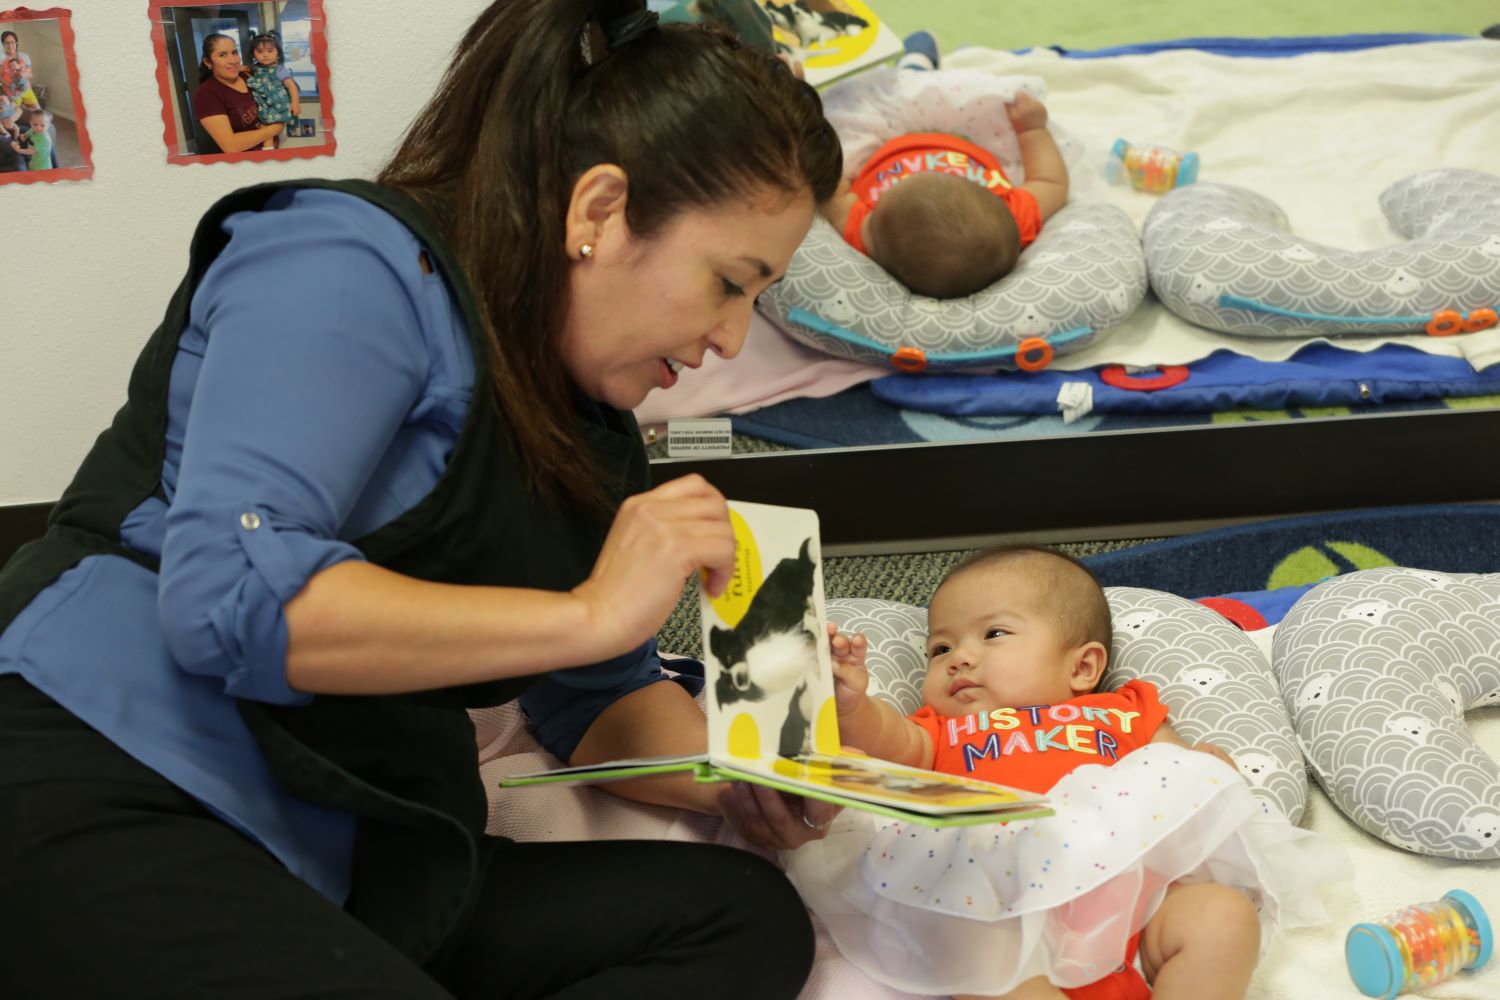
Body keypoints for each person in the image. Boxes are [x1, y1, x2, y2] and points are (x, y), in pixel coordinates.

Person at [0, 1, 844, 997]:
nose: (731, 341)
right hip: (103, 769)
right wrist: (587, 611)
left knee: (739, 918)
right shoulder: (342, 263)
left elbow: (597, 698)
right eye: (728, 283)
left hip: (350, 834)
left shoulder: (593, 428)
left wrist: (760, 767)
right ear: (599, 212)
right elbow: (229, 602)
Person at [788, 546, 1347, 1000]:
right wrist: (851, 705)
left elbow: (1174, 776)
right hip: (1002, 913)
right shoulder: (938, 729)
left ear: (1083, 666)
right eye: (940, 647)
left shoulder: (1123, 710)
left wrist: (1208, 770)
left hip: (1135, 906)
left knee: (1221, 916)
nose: (958, 657)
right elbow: (883, 746)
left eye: (994, 634)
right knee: (967, 945)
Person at [820, 60, 1070, 299]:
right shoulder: (1009, 219)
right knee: (941, 88)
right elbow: (1050, 182)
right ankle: (917, 67)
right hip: (968, 135)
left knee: (857, 102)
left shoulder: (865, 235)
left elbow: (832, 190)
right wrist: (1032, 130)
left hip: (886, 137)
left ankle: (913, 66)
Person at [191, 32, 284, 154]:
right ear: (208, 62)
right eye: (223, 55)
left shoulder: (248, 76)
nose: (233, 60)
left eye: (234, 52)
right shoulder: (206, 94)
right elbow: (231, 146)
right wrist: (274, 129)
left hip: (271, 152)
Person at [246, 30, 301, 148]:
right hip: (264, 104)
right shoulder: (255, 68)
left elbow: (292, 86)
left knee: (270, 129)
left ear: (278, 54)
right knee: (265, 127)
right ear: (253, 54)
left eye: (270, 51)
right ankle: (270, 149)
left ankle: (268, 151)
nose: (265, 55)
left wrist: (295, 103)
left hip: (278, 104)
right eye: (259, 51)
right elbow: (246, 68)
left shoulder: (279, 70)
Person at [9, 105, 49, 170]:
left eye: (42, 125)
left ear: (48, 126)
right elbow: (28, 133)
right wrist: (24, 136)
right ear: (31, 123)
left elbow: (32, 151)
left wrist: (18, 150)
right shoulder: (32, 130)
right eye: (35, 124)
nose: (38, 128)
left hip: (40, 165)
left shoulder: (45, 140)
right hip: (32, 159)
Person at [0, 30, 34, 108]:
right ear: (3, 44)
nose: (10, 45)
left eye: (12, 42)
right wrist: (8, 85)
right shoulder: (1, 58)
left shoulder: (24, 56)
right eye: (7, 43)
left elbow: (31, 74)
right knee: (15, 111)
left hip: (25, 88)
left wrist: (23, 74)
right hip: (11, 91)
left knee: (38, 111)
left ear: (16, 43)